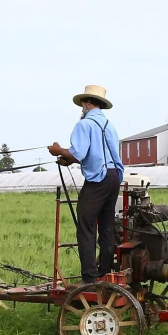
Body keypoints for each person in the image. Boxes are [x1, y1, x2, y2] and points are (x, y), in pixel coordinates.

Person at [48, 85, 125, 284]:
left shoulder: (84, 125)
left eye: (83, 103)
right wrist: (70, 158)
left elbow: (78, 153)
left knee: (86, 226)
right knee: (106, 226)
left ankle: (89, 277)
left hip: (98, 180)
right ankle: (105, 271)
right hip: (114, 176)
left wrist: (59, 151)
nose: (82, 107)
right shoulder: (109, 125)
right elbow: (95, 154)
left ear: (87, 102)